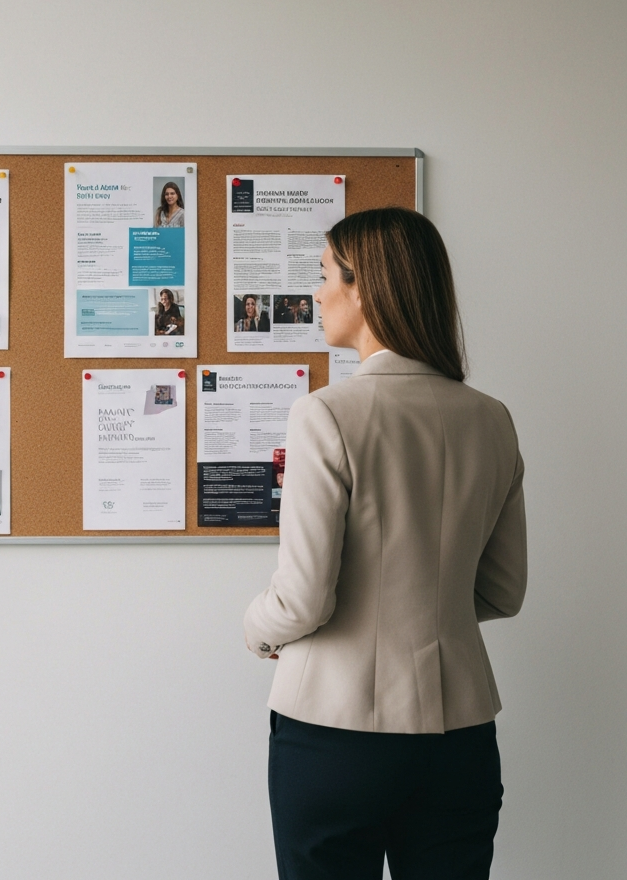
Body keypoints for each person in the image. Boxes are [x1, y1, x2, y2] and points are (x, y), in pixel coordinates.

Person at [244, 207, 526, 880]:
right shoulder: (491, 419)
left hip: (334, 734)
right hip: (460, 737)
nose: (314, 294)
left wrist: (256, 629)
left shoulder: (327, 413)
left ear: (362, 286)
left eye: (322, 277)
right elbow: (502, 592)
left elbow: (303, 599)